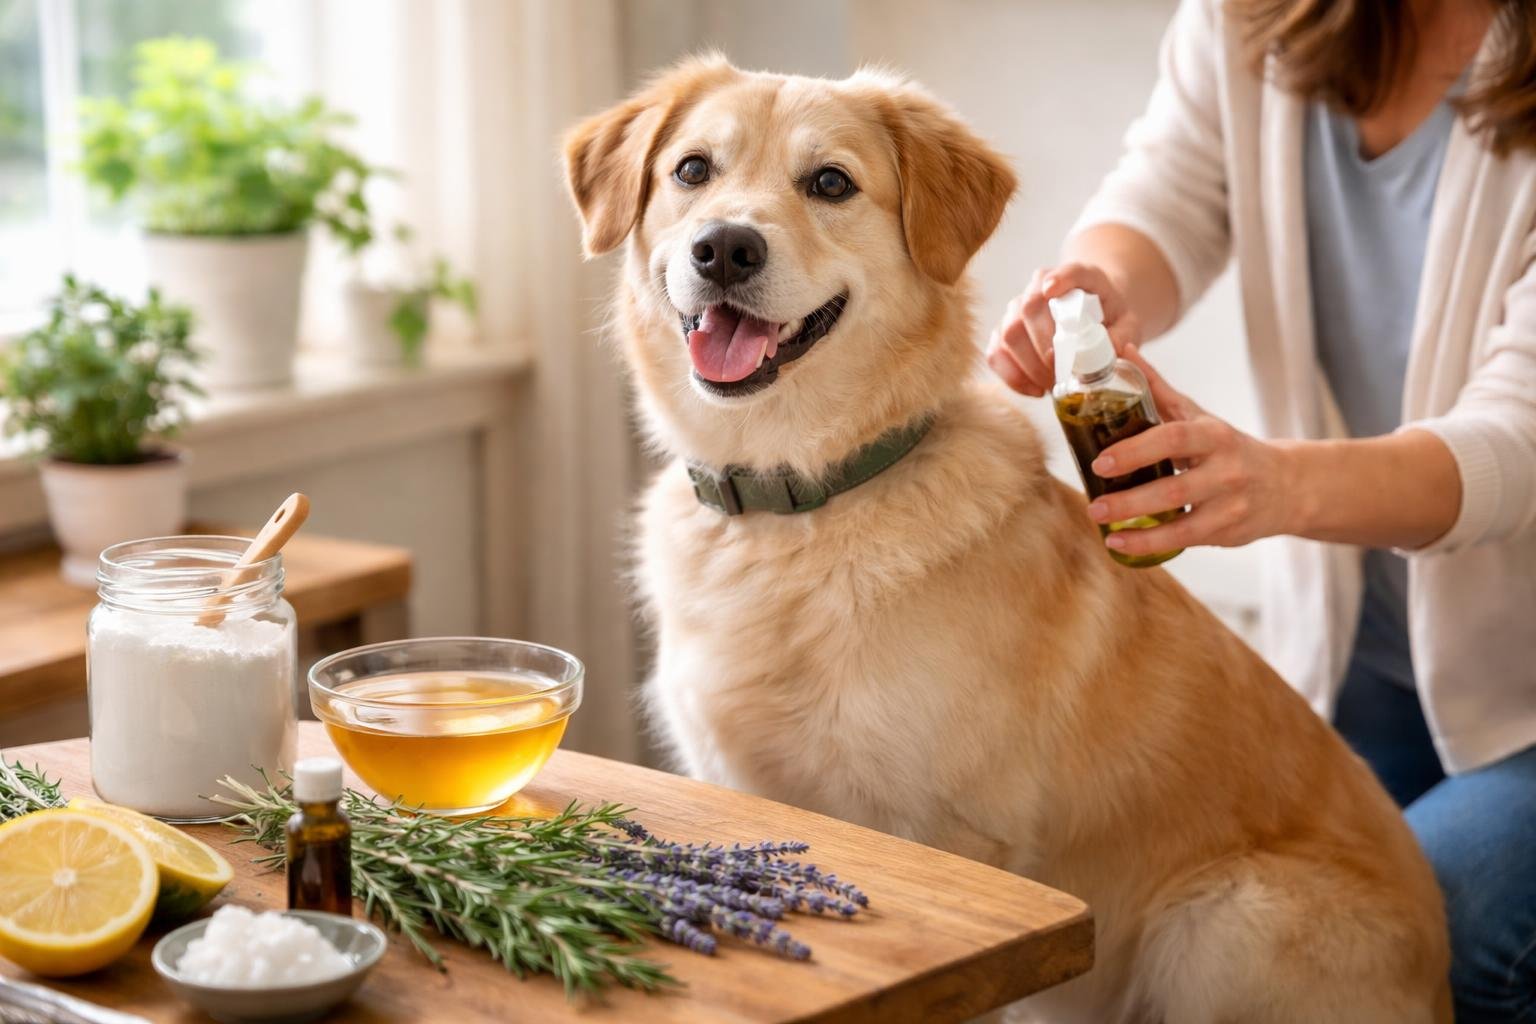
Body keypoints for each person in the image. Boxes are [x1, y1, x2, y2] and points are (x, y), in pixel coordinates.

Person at [988, 0, 1536, 1019]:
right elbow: (1166, 194)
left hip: (1527, 708)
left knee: (1417, 934)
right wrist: (1095, 289)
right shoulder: (1251, 18)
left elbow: (1519, 440)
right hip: (1363, 667)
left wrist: (1275, 484)